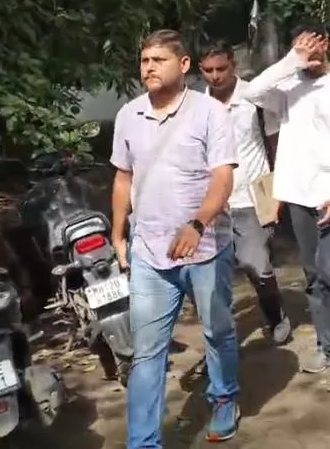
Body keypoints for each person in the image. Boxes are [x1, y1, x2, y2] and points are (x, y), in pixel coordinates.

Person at [110, 30, 241, 446]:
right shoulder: (128, 114)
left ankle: (224, 397)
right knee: (147, 352)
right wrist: (118, 232)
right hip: (149, 252)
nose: (148, 67)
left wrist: (197, 223)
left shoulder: (210, 113)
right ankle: (143, 442)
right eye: (144, 60)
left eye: (158, 60)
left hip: (205, 249)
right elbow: (123, 177)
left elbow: (223, 177)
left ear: (183, 65)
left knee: (216, 331)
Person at [238, 22, 330, 393]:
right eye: (299, 44)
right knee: (311, 275)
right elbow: (253, 91)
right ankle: (326, 346)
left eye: (313, 43)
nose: (307, 50)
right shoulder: (288, 84)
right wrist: (292, 60)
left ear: (328, 43)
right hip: (298, 194)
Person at [198, 42, 292, 344]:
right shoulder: (196, 107)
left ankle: (276, 316)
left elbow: (275, 143)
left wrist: (277, 191)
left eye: (221, 69)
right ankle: (221, 338)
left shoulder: (255, 98)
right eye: (208, 70)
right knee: (213, 274)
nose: (215, 76)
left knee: (257, 265)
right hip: (213, 202)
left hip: (251, 197)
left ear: (233, 66)